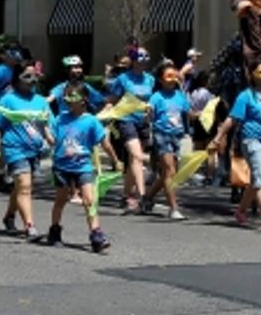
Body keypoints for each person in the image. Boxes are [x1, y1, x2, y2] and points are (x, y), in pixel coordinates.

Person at [44, 85, 119, 252]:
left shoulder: (91, 121)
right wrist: (45, 129)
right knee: (61, 199)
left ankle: (96, 234)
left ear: (83, 99)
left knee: (89, 200)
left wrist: (115, 159)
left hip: (83, 165)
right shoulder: (61, 118)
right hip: (62, 166)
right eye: (67, 98)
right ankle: (55, 229)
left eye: (73, 98)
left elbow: (104, 142)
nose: (69, 102)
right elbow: (53, 141)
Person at [212, 61, 261, 233]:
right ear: (252, 75)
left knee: (257, 179)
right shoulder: (246, 96)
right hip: (251, 141)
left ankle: (241, 210)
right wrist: (218, 138)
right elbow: (232, 119)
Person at [0, 65, 52, 238]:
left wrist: (51, 138)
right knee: (24, 186)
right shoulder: (8, 100)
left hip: (34, 150)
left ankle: (9, 216)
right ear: (17, 79)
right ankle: (30, 226)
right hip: (14, 148)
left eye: (35, 76)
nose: (32, 80)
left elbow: (46, 124)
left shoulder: (41, 101)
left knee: (21, 187)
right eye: (27, 76)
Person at [107, 47, 156, 213]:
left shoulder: (150, 79)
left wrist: (151, 110)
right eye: (140, 60)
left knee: (134, 161)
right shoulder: (122, 79)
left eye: (146, 59)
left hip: (142, 121)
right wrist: (104, 117)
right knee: (136, 156)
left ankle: (126, 194)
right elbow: (112, 100)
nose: (144, 63)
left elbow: (151, 100)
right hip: (125, 120)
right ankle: (143, 196)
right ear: (133, 61)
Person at [142, 62, 191, 220]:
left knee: (168, 174)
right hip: (161, 135)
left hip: (177, 136)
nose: (172, 79)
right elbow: (149, 112)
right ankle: (173, 208)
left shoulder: (180, 96)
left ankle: (148, 197)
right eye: (168, 76)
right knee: (169, 170)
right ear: (161, 80)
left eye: (174, 76)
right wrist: (148, 113)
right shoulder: (156, 97)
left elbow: (188, 114)